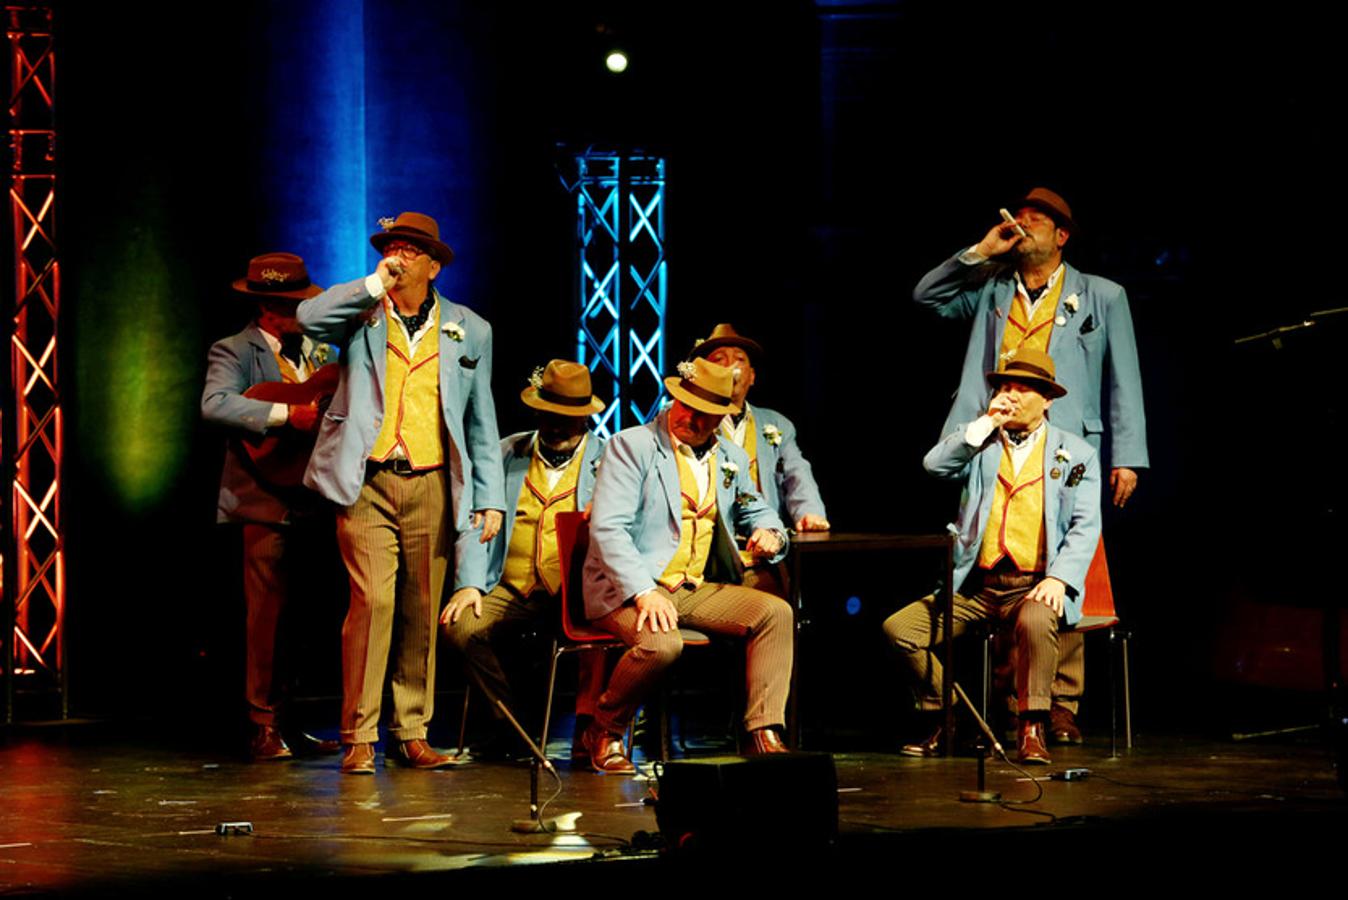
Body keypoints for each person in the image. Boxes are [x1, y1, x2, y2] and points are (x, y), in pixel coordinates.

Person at [913, 187, 1146, 741]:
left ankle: (1057, 704)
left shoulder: (1102, 296)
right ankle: (1011, 703)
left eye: (1034, 221)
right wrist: (980, 251)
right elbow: (926, 297)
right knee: (1001, 556)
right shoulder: (991, 288)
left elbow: (1124, 381)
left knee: (1063, 567)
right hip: (992, 435)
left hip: (1068, 445)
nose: (1022, 226)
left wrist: (1128, 456)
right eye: (1017, 219)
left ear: (1062, 235)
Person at [297, 212, 505, 774]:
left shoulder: (470, 328)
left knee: (420, 608)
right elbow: (307, 318)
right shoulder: (361, 313)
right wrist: (372, 283)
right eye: (391, 247)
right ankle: (359, 734)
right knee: (374, 602)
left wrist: (489, 497)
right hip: (366, 480)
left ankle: (411, 731)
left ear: (434, 265)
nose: (398, 256)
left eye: (410, 250)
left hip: (434, 480)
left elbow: (480, 420)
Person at [882, 348, 1101, 765]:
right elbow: (934, 466)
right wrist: (985, 423)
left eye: (1023, 389)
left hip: (1032, 585)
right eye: (1005, 387)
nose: (1011, 396)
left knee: (1037, 619)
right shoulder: (980, 442)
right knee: (900, 630)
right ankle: (951, 716)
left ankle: (1031, 726)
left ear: (1048, 399)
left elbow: (1085, 526)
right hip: (977, 587)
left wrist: (1058, 579)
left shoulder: (1076, 453)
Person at [580, 357, 794, 773]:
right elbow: (607, 529)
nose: (689, 418)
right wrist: (644, 591)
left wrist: (773, 533)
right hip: (623, 587)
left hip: (690, 587)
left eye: (704, 414)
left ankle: (762, 732)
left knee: (775, 613)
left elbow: (756, 508)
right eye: (684, 405)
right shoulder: (632, 446)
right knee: (663, 643)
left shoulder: (728, 455)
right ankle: (604, 730)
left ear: (719, 419)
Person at [201, 252, 340, 762]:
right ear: (266, 307)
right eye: (289, 305)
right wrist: (287, 413)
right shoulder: (234, 349)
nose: (300, 313)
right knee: (266, 619)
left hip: (312, 498)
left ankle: (291, 719)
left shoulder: (319, 352)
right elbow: (216, 403)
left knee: (303, 618)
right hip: (261, 500)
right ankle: (261, 723)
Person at [441, 359, 608, 761]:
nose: (554, 425)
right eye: (548, 415)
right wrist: (471, 583)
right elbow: (473, 520)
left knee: (609, 632)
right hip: (510, 583)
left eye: (566, 419)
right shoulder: (505, 453)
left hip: (576, 593)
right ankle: (514, 730)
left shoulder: (611, 459)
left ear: (584, 419)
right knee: (459, 628)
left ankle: (593, 731)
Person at [688, 324, 829, 598]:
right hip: (708, 553)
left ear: (752, 376)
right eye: (720, 360)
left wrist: (810, 513)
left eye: (740, 360)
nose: (732, 367)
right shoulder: (688, 421)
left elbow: (797, 472)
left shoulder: (775, 425)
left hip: (761, 550)